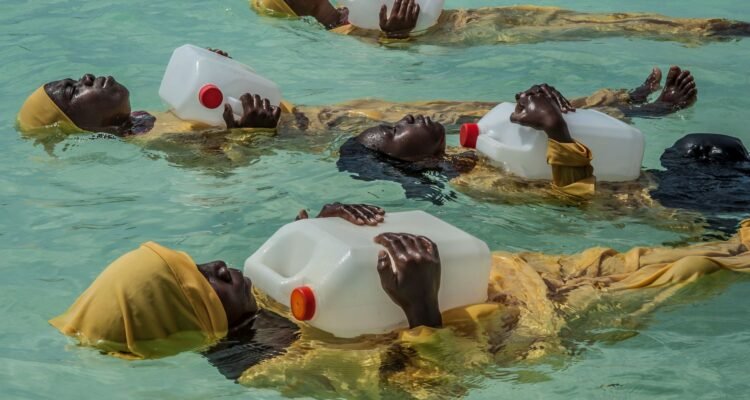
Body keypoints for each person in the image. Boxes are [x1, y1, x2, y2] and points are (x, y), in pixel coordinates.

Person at [50, 202, 750, 397]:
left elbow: (343, 276)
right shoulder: (284, 370)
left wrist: (340, 222)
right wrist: (420, 309)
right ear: (189, 316)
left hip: (518, 275)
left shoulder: (255, 296)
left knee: (699, 253)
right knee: (701, 267)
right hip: (541, 324)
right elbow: (436, 390)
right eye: (196, 279)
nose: (214, 263)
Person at [337, 66, 697, 204]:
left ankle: (640, 105)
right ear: (407, 162)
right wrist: (556, 129)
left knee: (692, 149)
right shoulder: (472, 183)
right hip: (658, 203)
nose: (407, 118)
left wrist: (551, 108)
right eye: (395, 130)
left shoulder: (471, 149)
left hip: (638, 178)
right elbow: (573, 198)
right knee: (697, 148)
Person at [251, 0, 750, 46]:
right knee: (586, 28)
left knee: (593, 20)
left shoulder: (347, 7)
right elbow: (394, 54)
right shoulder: (341, 30)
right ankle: (703, 33)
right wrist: (395, 35)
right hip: (468, 35)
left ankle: (700, 29)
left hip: (468, 20)